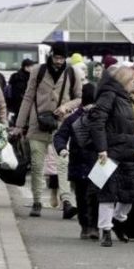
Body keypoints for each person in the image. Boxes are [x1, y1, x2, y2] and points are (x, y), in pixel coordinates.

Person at [13, 42, 82, 218]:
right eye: (56, 57)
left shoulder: (72, 72)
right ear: (51, 55)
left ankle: (66, 201)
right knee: (37, 164)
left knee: (63, 163)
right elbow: (28, 97)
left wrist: (66, 106)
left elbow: (79, 98)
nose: (59, 61)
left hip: (61, 125)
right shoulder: (38, 70)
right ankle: (36, 201)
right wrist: (19, 126)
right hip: (38, 124)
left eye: (61, 58)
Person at [87, 66, 134, 247]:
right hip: (109, 154)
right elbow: (97, 122)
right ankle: (105, 229)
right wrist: (101, 149)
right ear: (124, 81)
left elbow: (129, 130)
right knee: (107, 194)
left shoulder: (125, 99)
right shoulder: (110, 96)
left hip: (127, 153)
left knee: (130, 194)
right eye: (133, 81)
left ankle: (117, 220)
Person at [54, 83, 100, 240]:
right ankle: (87, 226)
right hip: (84, 161)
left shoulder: (96, 117)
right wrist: (62, 148)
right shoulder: (75, 118)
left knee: (90, 196)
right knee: (84, 195)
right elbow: (60, 136)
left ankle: (91, 226)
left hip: (91, 162)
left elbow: (60, 136)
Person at [6, 58, 34, 124]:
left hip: (16, 104)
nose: (33, 69)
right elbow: (20, 92)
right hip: (20, 103)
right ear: (26, 67)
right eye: (31, 67)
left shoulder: (18, 75)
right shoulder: (20, 77)